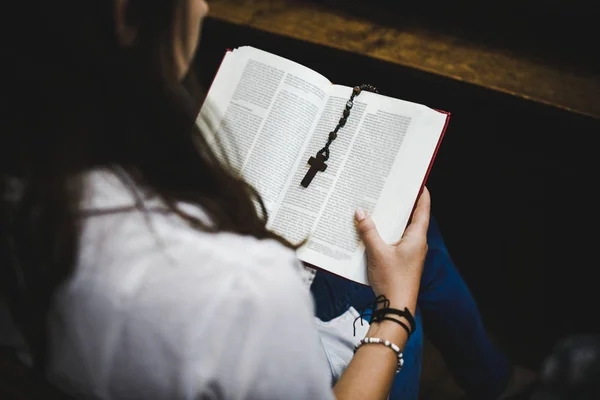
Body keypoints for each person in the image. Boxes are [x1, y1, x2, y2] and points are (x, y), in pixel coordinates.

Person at [0, 1, 515, 399]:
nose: (201, 7)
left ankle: (492, 375)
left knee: (410, 237)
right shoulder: (242, 287)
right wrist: (395, 311)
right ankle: (495, 381)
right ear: (126, 15)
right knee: (405, 244)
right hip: (301, 360)